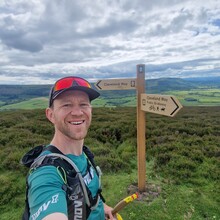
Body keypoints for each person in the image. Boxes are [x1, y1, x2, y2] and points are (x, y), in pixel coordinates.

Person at [25, 76, 115, 220]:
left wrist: (102, 207)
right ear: (50, 115)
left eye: (83, 104)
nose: (77, 112)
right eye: (66, 105)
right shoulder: (46, 173)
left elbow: (88, 193)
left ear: (91, 110)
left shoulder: (84, 154)